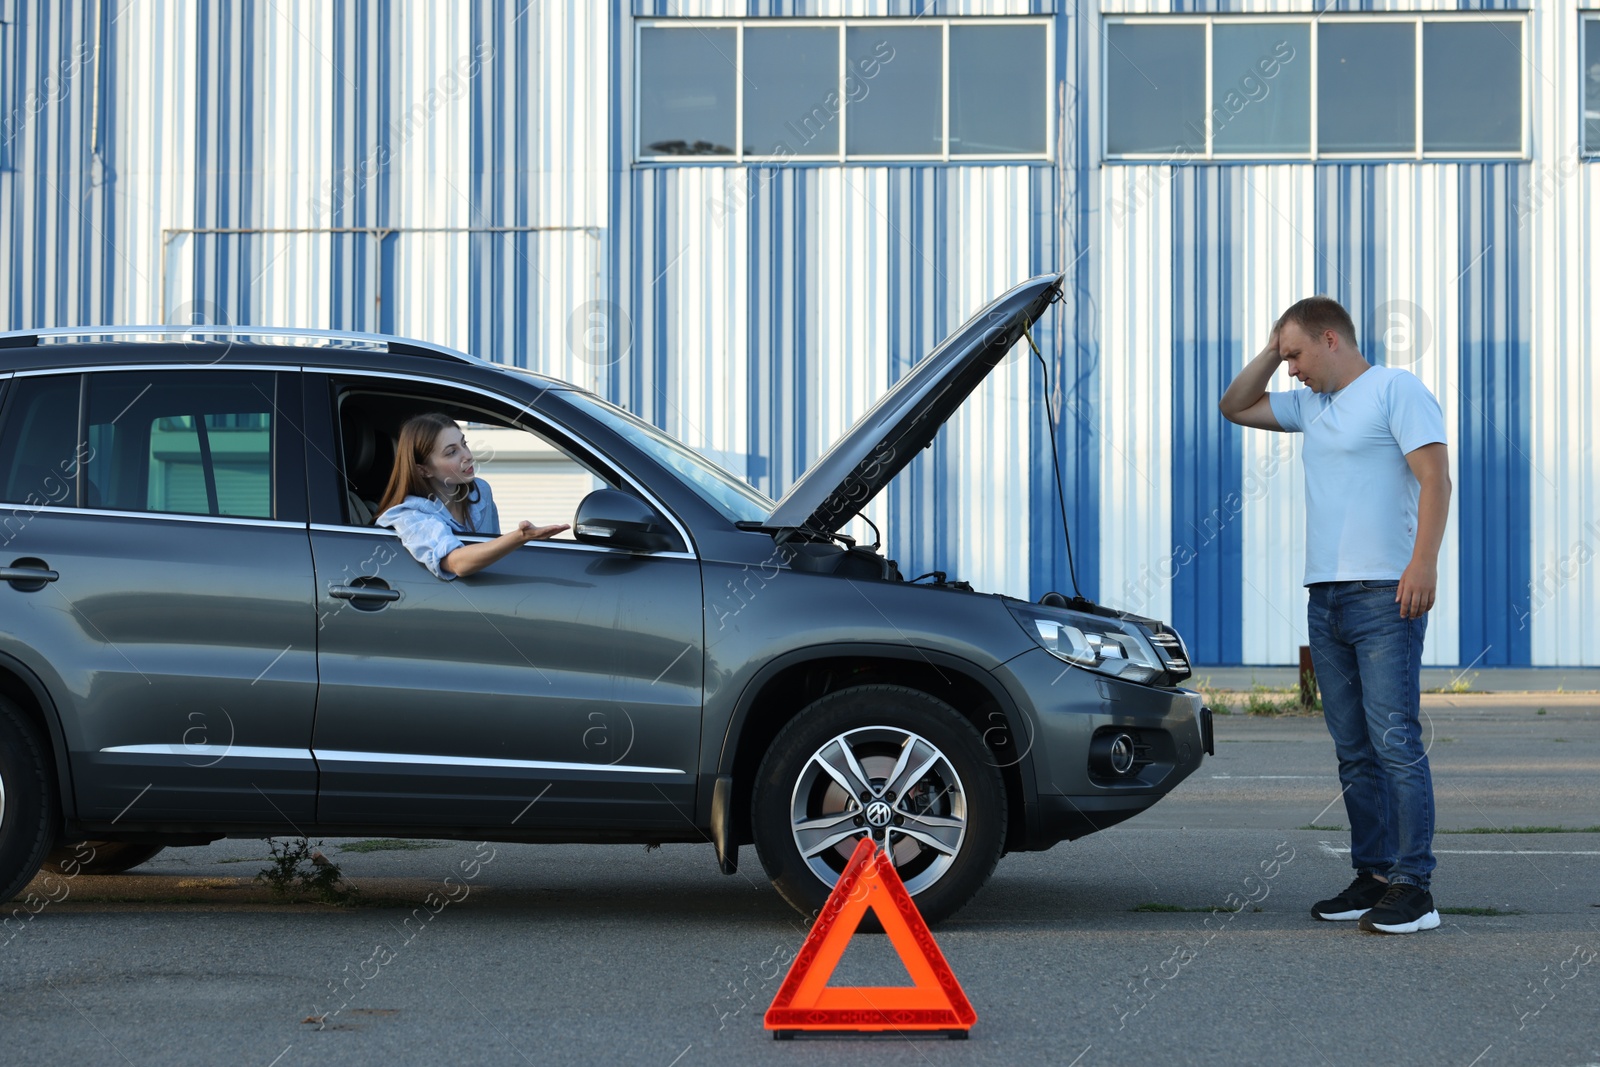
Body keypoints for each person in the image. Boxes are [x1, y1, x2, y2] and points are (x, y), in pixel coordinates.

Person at [1219, 296, 1451, 935]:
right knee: (1352, 750)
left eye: (1294, 355)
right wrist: (1270, 346)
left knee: (1395, 741)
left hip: (1386, 593)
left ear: (1330, 339)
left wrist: (1422, 563)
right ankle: (1373, 875)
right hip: (1325, 597)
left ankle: (1414, 888)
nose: (1288, 369)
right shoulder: (1309, 406)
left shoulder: (1394, 389)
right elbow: (1234, 405)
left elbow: (1436, 478)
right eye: (1283, 357)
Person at [375, 412, 568, 578]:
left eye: (463, 444)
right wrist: (521, 536)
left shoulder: (480, 491)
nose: (467, 455)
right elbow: (457, 563)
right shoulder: (409, 516)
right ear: (424, 470)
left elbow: (493, 553)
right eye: (451, 452)